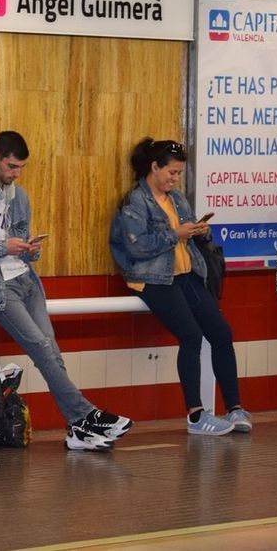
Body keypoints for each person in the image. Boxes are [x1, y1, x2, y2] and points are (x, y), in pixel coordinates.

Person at [0, 131, 133, 451]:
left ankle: (77, 430)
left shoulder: (21, 196)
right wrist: (3, 246)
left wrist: (30, 250)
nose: (16, 174)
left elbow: (20, 242)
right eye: (12, 166)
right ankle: (85, 415)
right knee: (41, 347)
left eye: (21, 168)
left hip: (25, 279)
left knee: (51, 349)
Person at [109, 138, 250, 436]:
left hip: (186, 273)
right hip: (153, 278)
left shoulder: (177, 199)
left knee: (222, 333)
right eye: (171, 172)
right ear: (154, 167)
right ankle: (196, 415)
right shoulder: (135, 202)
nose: (175, 178)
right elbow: (137, 248)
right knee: (191, 336)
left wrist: (198, 231)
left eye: (179, 173)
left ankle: (235, 408)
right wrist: (177, 234)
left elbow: (185, 231)